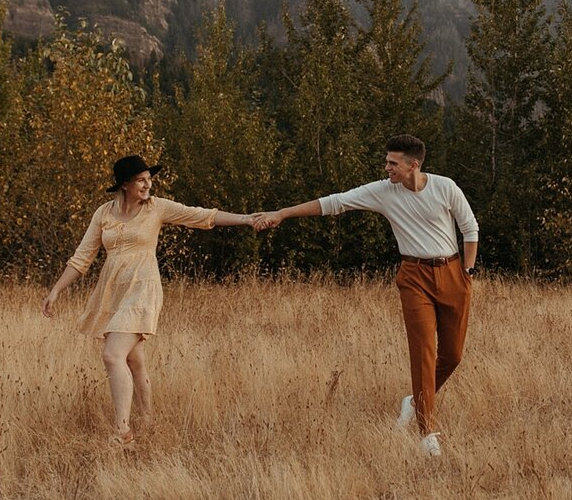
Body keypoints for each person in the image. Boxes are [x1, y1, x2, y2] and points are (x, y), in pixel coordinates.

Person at [253, 136, 481, 456]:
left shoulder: (446, 187)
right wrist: (282, 213)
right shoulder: (382, 191)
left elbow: (470, 229)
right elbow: (335, 202)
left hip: (454, 274)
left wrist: (467, 274)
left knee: (453, 356)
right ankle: (427, 432)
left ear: (413, 165)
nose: (386, 168)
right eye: (386, 162)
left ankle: (414, 400)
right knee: (423, 352)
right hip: (414, 277)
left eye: (393, 163)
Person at [42, 154, 262, 446]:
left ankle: (122, 434)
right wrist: (56, 290)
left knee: (112, 355)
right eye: (141, 180)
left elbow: (201, 215)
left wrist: (247, 219)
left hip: (143, 289)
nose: (148, 184)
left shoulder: (157, 208)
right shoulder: (104, 214)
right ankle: (148, 421)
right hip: (113, 292)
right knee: (134, 360)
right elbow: (82, 257)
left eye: (149, 179)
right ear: (124, 184)